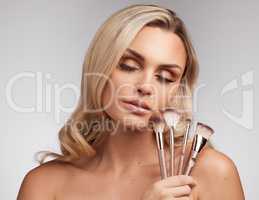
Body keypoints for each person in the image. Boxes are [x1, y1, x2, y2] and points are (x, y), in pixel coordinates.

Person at [17, 4, 245, 200]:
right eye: (129, 66)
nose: (145, 86)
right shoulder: (44, 185)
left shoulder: (209, 172)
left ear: (177, 90)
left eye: (165, 77)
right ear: (99, 67)